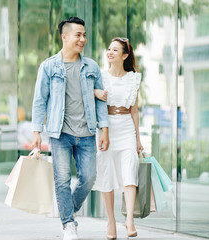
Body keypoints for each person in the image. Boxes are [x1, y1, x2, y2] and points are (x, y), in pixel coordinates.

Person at [31, 17, 109, 240]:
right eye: (78, 35)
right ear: (64, 37)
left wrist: (104, 129)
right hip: (60, 133)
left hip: (86, 133)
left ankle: (67, 209)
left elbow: (100, 100)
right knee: (62, 179)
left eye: (84, 35)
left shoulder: (91, 67)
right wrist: (36, 131)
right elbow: (40, 100)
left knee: (89, 177)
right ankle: (68, 224)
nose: (83, 39)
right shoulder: (49, 66)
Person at [93, 37, 144, 239]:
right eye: (109, 49)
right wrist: (95, 91)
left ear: (124, 55)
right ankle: (111, 223)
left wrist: (138, 140)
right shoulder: (100, 77)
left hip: (126, 129)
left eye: (115, 50)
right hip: (106, 129)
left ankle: (129, 219)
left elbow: (135, 112)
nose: (110, 52)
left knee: (129, 172)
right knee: (106, 175)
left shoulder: (133, 78)